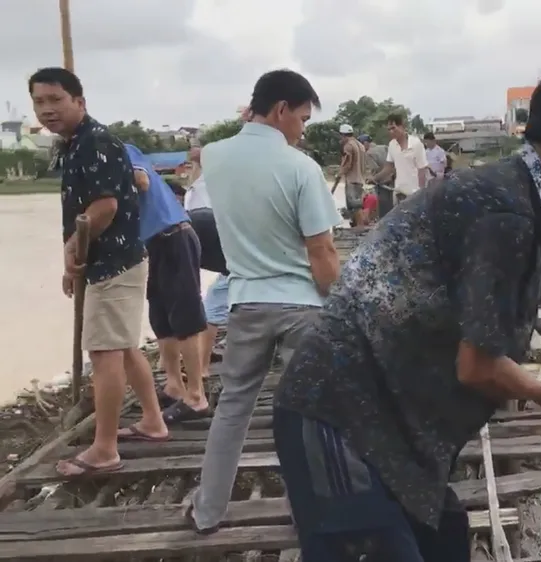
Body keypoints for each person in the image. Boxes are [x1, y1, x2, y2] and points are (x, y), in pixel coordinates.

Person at [273, 56, 541, 561]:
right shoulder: (504, 213)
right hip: (338, 415)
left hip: (397, 423)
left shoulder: (525, 199)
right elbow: (478, 367)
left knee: (446, 543)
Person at [187, 69, 342, 534]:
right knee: (305, 414)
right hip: (302, 307)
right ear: (281, 111)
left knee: (233, 407)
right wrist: (340, 305)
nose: (302, 128)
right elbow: (322, 252)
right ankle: (311, 510)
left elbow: (219, 146)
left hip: (247, 301)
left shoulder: (215, 156)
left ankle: (207, 510)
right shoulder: (301, 168)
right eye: (302, 118)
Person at [29, 67, 168, 476]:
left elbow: (103, 208)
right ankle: (153, 420)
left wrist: (72, 255)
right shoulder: (74, 144)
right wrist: (74, 256)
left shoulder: (95, 142)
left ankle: (104, 449)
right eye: (39, 102)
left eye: (56, 99)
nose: (47, 109)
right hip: (114, 262)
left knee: (104, 353)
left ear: (79, 101)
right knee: (123, 346)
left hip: (113, 264)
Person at [126, 144, 211, 424]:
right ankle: (174, 385)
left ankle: (196, 396)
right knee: (160, 315)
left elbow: (141, 181)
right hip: (155, 243)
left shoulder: (119, 152)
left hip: (174, 236)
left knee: (185, 316)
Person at [184, 147, 230, 372]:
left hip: (238, 263)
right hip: (236, 260)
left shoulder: (188, 221)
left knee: (211, 309)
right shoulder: (195, 196)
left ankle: (200, 368)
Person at [372, 113, 427, 204]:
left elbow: (422, 170)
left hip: (414, 194)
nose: (391, 132)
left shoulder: (416, 144)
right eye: (389, 129)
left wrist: (421, 193)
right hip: (399, 193)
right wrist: (375, 178)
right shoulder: (392, 145)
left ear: (402, 126)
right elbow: (388, 168)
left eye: (393, 128)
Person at [331, 124, 365, 225]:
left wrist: (339, 174)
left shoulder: (349, 146)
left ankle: (359, 227)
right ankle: (358, 227)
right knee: (357, 205)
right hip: (360, 180)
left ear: (343, 135)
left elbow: (347, 164)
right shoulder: (360, 145)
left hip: (352, 180)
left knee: (355, 206)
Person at [360, 134, 393, 218]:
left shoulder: (369, 153)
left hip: (383, 183)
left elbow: (374, 169)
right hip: (393, 180)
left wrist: (371, 179)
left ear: (365, 143)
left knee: (384, 210)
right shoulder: (384, 147)